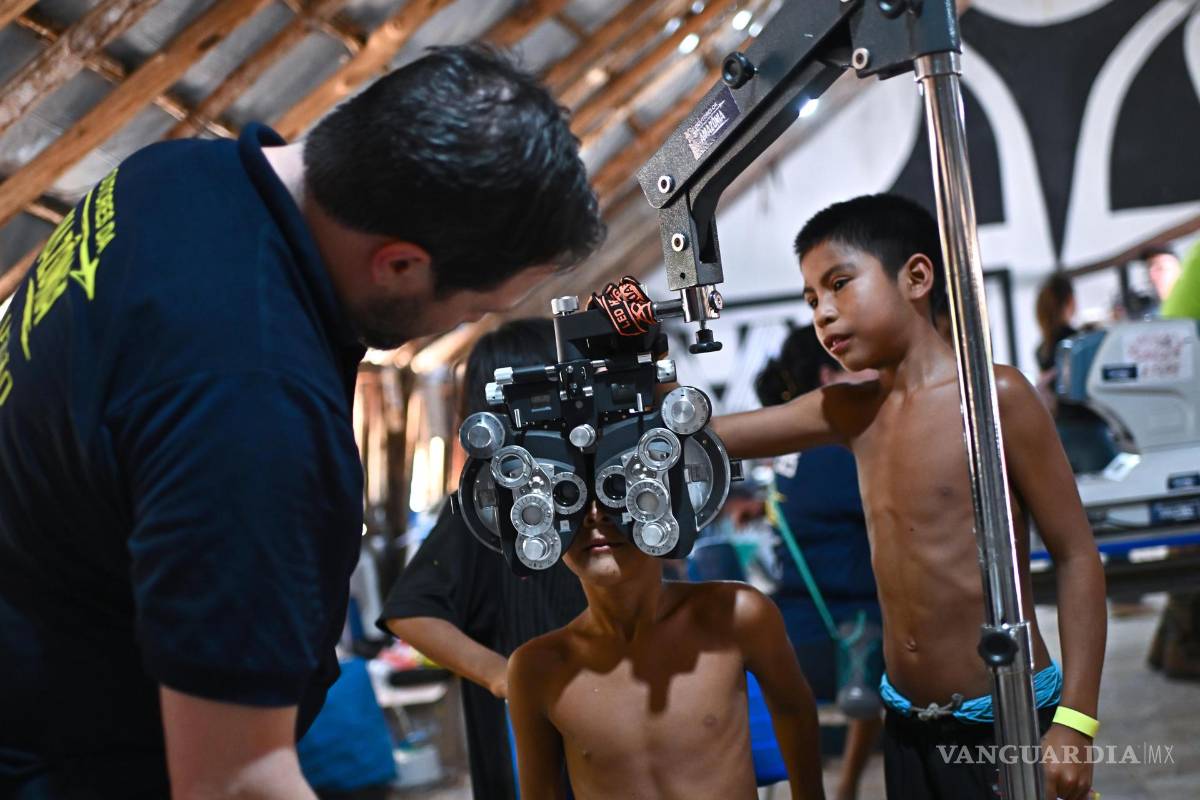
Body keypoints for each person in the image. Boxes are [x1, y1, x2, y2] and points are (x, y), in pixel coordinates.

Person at [0, 45, 603, 798]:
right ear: (401, 266)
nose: (466, 321)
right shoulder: (251, 406)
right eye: (477, 307)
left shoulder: (176, 175)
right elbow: (238, 779)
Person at [711, 194, 1106, 800]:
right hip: (906, 725)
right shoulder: (851, 412)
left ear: (917, 277)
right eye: (813, 300)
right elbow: (713, 434)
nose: (824, 314)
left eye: (840, 284)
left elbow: (1078, 555)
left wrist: (1076, 724)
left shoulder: (995, 398)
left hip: (1007, 719)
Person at [379, 318, 587, 799]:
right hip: (533, 745)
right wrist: (500, 675)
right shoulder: (485, 501)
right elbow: (411, 609)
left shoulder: (592, 483)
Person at [507, 502, 826, 800]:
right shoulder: (538, 668)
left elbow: (794, 710)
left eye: (617, 490)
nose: (595, 515)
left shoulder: (733, 616)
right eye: (569, 496)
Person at [755, 325, 883, 800]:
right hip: (839, 642)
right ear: (830, 376)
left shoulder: (793, 448)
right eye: (862, 368)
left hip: (797, 633)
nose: (875, 376)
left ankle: (844, 787)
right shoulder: (838, 450)